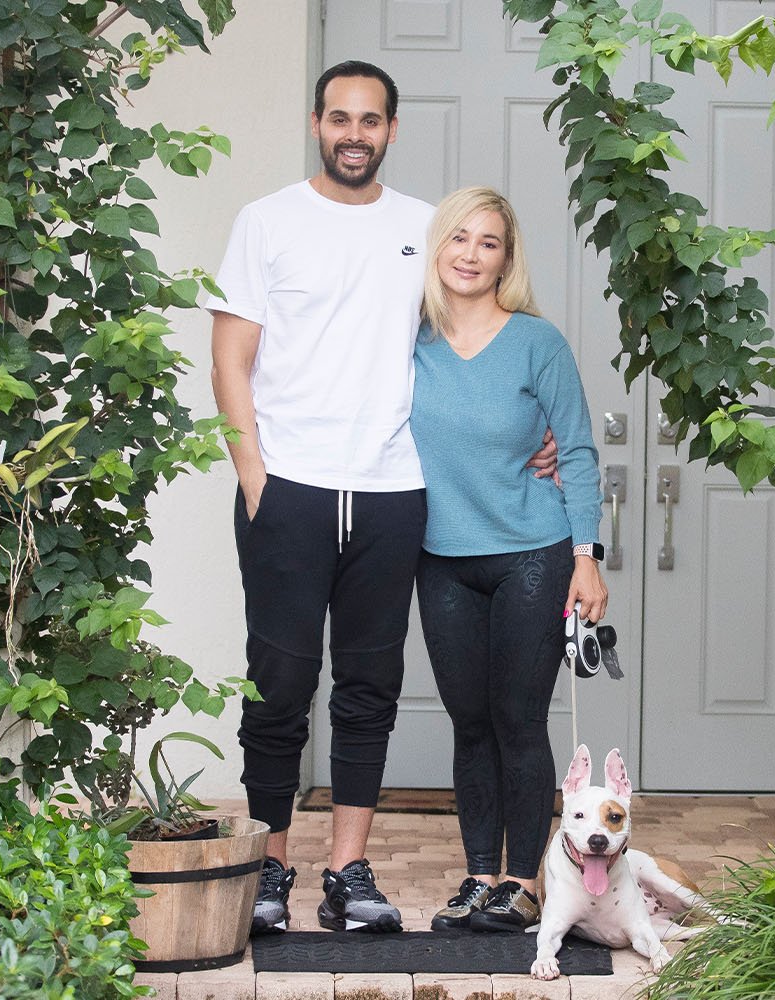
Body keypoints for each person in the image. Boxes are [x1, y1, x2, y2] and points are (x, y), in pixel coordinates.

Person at [205, 63, 557, 935]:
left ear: (392, 130)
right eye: (339, 118)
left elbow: (478, 339)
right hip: (288, 489)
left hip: (396, 495)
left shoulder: (425, 231)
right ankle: (273, 867)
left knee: (370, 686)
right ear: (316, 123)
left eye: (370, 120)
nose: (353, 132)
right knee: (280, 684)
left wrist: (533, 437)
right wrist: (257, 478)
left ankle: (349, 869)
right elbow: (229, 361)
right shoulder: (267, 222)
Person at [408, 187, 608, 933]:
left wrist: (586, 556)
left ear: (506, 259)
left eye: (487, 242)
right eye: (458, 238)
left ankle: (523, 883)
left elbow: (579, 451)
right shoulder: (409, 340)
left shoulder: (536, 343)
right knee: (469, 722)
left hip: (532, 551)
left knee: (518, 719)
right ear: (437, 248)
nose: (470, 254)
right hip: (441, 558)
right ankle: (477, 879)